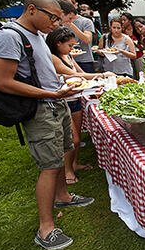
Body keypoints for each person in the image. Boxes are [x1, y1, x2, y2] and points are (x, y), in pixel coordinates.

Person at [0, 0, 94, 250]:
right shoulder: (9, 36)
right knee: (49, 166)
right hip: (40, 109)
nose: (57, 25)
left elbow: (51, 67)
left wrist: (80, 80)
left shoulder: (36, 35)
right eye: (53, 18)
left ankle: (63, 196)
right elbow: (2, 81)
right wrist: (50, 94)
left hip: (56, 102)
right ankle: (45, 228)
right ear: (32, 9)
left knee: (61, 155)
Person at [46, 26, 114, 184]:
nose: (72, 48)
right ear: (57, 43)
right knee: (73, 140)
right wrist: (101, 74)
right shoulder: (54, 57)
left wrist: (95, 80)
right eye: (69, 45)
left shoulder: (68, 55)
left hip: (76, 100)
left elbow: (81, 72)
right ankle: (67, 171)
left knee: (76, 137)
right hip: (63, 101)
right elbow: (75, 75)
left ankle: (74, 163)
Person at [58, 0, 96, 73]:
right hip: (65, 60)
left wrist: (71, 25)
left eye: (69, 4)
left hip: (84, 61)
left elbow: (87, 39)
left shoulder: (86, 21)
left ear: (75, 5)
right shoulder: (58, 24)